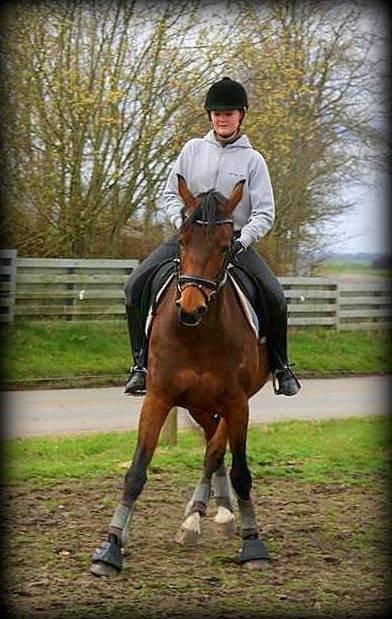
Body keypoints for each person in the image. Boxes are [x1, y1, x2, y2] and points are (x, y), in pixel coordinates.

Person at [124, 76, 301, 397]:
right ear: (210, 116)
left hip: (232, 242)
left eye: (229, 112)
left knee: (275, 296)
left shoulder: (253, 160)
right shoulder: (192, 150)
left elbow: (265, 213)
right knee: (134, 284)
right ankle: (139, 365)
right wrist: (183, 221)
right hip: (190, 239)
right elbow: (168, 194)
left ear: (241, 115)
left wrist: (242, 240)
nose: (222, 117)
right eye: (217, 112)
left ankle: (281, 365)